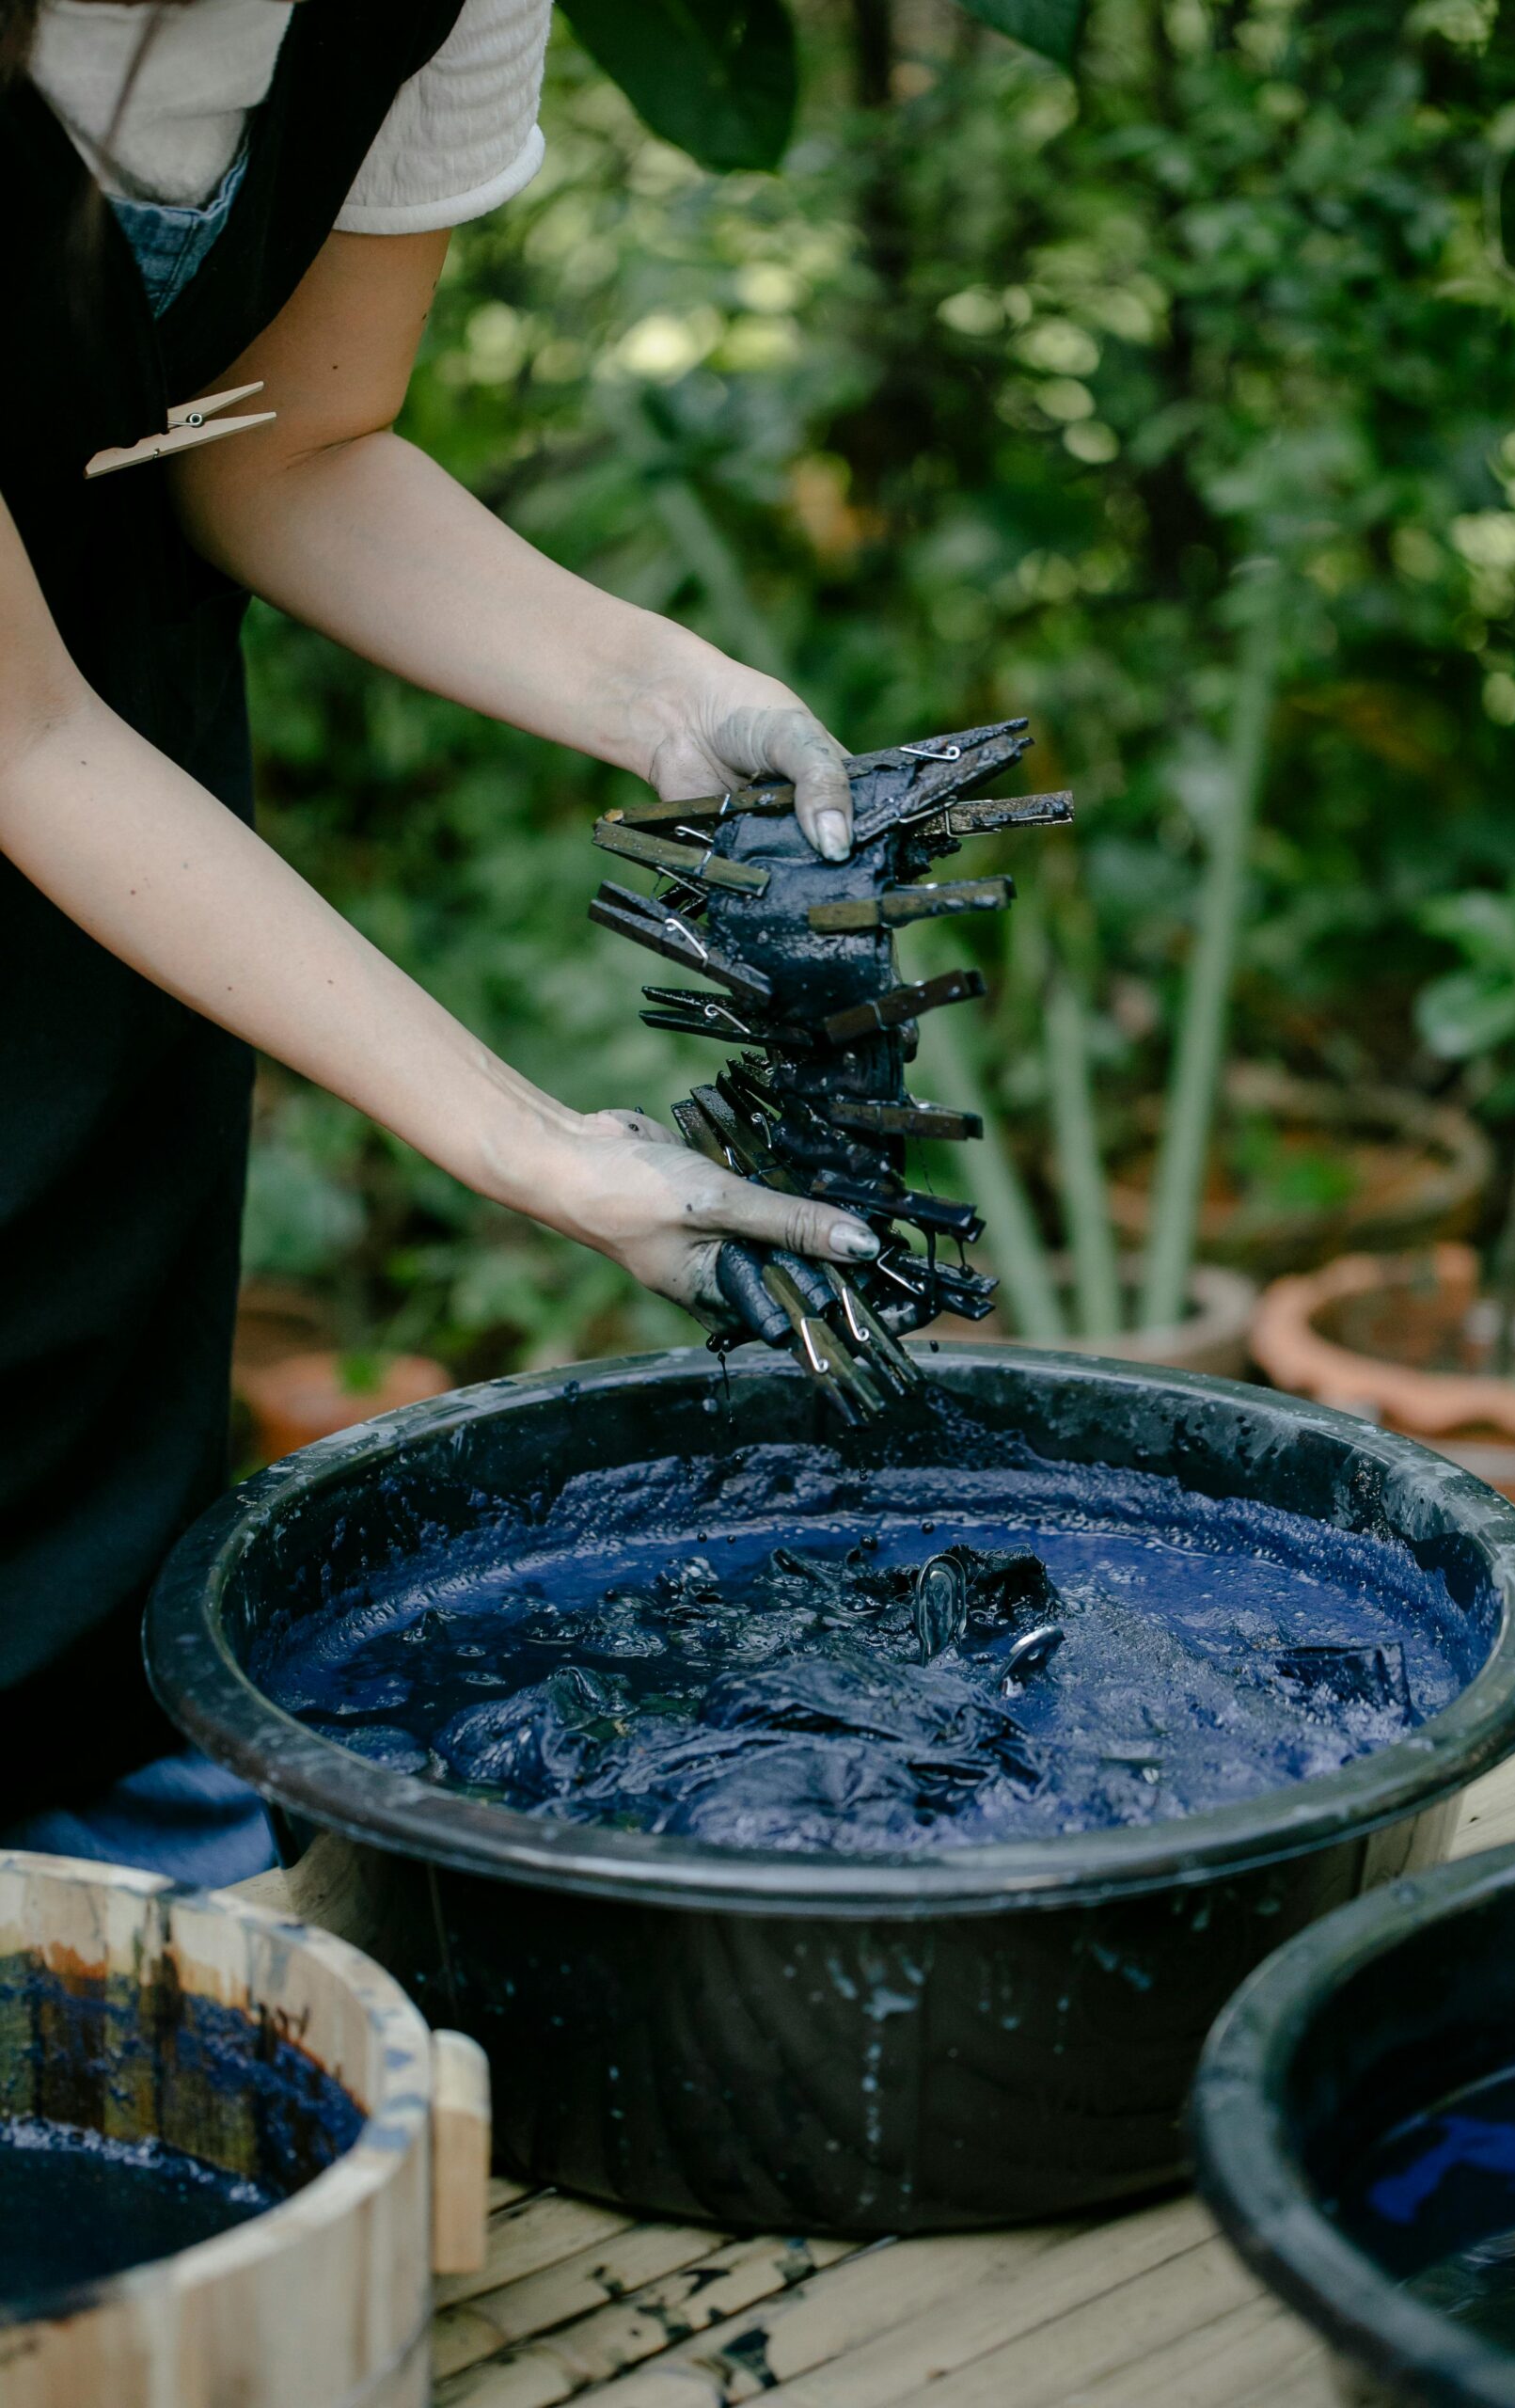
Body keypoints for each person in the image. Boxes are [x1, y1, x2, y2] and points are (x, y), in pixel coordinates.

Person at [0, 0, 875, 1874]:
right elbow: (21, 729)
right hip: (42, 739)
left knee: (75, 1527)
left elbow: (279, 442)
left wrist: (663, 691)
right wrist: (531, 1146)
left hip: (135, 851)